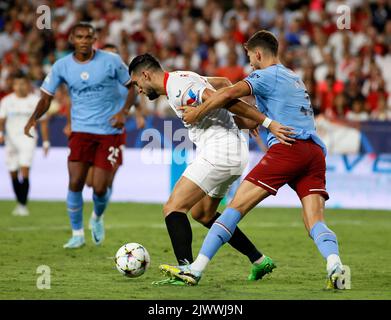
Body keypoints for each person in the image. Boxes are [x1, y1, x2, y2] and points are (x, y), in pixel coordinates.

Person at [161, 30, 347, 290]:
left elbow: (228, 95)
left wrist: (197, 112)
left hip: (287, 150)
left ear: (258, 53)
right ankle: (335, 264)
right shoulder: (294, 77)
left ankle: (195, 269)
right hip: (314, 153)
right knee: (315, 221)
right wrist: (255, 120)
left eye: (250, 56)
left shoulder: (265, 75)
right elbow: (255, 108)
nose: (249, 62)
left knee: (233, 211)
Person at [128, 53, 293, 285]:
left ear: (145, 75)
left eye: (137, 83)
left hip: (220, 152)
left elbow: (224, 98)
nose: (138, 90)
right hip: (233, 152)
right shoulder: (183, 76)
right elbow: (225, 84)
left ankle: (185, 269)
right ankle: (259, 260)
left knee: (173, 207)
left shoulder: (178, 87)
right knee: (202, 214)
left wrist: (263, 121)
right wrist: (244, 121)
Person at [24, 23, 137, 249]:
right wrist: (33, 118)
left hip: (109, 132)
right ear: (72, 40)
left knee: (99, 188)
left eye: (88, 36)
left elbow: (133, 86)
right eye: (79, 37)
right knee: (75, 182)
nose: (84, 40)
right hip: (80, 131)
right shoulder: (61, 66)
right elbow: (46, 97)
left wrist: (124, 112)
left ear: (94, 38)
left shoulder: (111, 61)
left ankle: (96, 218)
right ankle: (77, 234)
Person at [62, 43, 144, 194]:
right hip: (89, 131)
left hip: (114, 132)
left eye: (113, 55)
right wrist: (69, 123)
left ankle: (98, 215)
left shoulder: (124, 82)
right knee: (90, 182)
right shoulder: (90, 80)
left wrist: (138, 116)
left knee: (107, 178)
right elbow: (73, 102)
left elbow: (135, 99)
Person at [0, 72, 50, 216]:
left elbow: (44, 122)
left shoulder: (35, 101)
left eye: (22, 83)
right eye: (17, 84)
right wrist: (1, 134)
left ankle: (22, 205)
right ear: (13, 85)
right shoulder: (7, 101)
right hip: (11, 141)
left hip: (28, 139)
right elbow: (1, 120)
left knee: (24, 170)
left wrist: (46, 142)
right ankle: (20, 202)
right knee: (12, 172)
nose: (20, 86)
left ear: (28, 84)